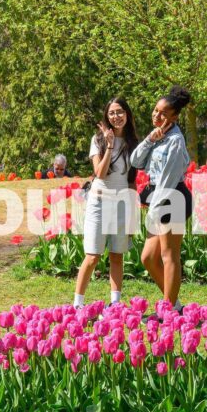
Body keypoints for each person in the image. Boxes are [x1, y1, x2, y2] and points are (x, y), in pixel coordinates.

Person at [131, 86, 193, 320]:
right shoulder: (158, 136)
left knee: (169, 256)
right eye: (156, 110)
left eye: (163, 113)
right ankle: (174, 306)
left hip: (172, 197)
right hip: (159, 197)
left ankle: (167, 312)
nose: (157, 116)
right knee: (148, 258)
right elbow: (136, 161)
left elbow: (168, 180)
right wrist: (150, 139)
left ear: (174, 117)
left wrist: (154, 211)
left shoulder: (175, 141)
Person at [73, 98, 138, 308]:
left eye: (120, 112)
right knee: (93, 256)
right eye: (112, 113)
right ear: (106, 116)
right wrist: (109, 145)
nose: (116, 116)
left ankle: (115, 304)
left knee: (117, 255)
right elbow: (100, 173)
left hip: (122, 204)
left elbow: (131, 181)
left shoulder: (133, 143)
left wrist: (132, 215)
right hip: (99, 202)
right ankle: (77, 304)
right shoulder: (98, 140)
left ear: (127, 114)